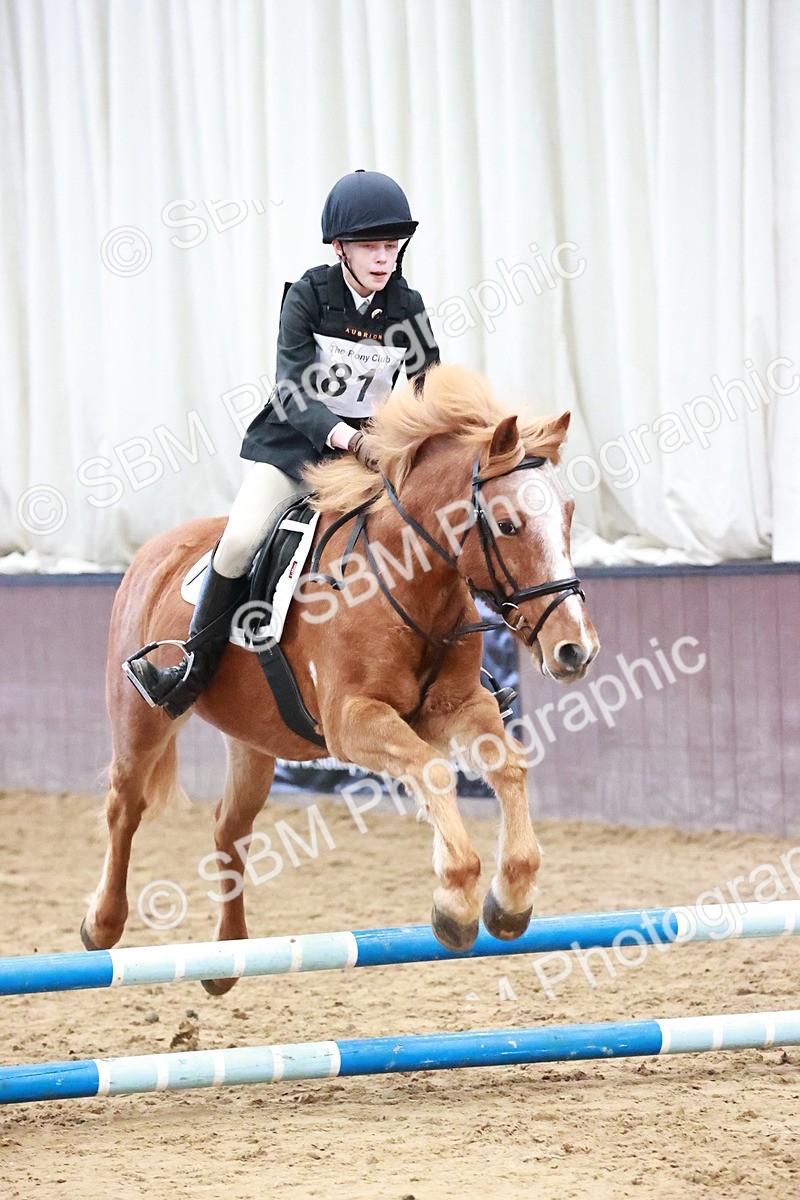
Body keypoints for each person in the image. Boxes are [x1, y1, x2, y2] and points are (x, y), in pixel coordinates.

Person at [124, 169, 440, 718]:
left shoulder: (407, 308)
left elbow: (427, 387)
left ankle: (457, 665)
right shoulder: (309, 297)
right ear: (341, 248)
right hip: (297, 448)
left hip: (372, 460)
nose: (383, 258)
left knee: (433, 527)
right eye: (370, 246)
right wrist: (347, 438)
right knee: (242, 538)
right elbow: (293, 390)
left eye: (391, 246)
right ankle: (191, 670)